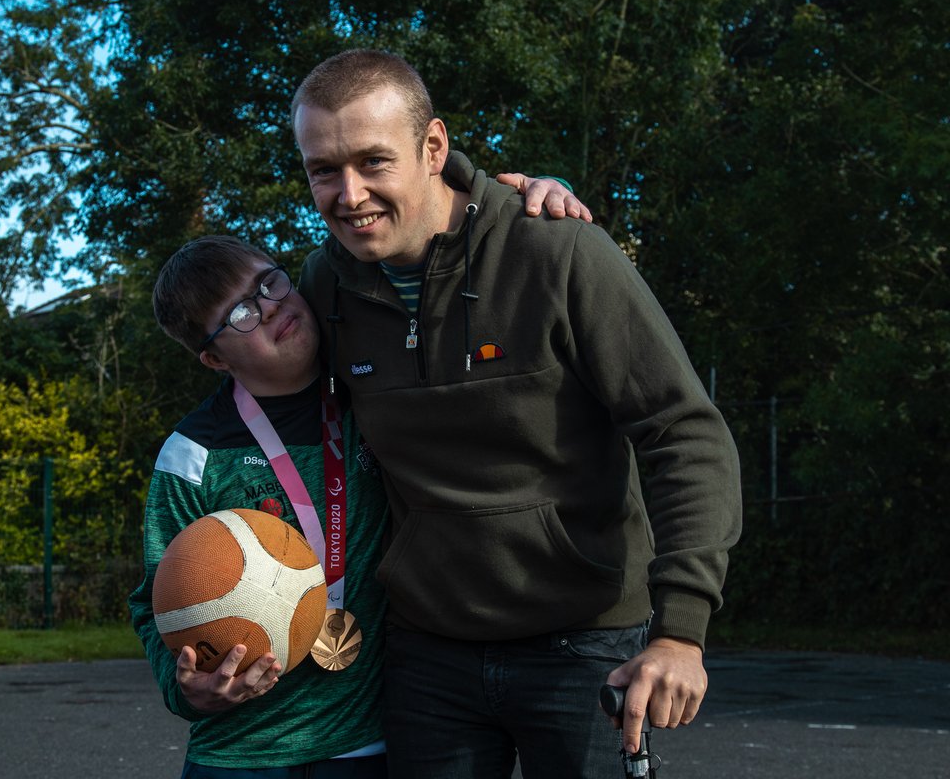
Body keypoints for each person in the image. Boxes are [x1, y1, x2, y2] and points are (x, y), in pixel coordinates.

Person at [292, 49, 742, 778]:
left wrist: (681, 631)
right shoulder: (324, 285)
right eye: (322, 169)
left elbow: (683, 434)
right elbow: (277, 415)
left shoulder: (556, 251)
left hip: (583, 641)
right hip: (426, 653)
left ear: (433, 148)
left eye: (374, 162)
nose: (348, 193)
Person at [130, 168, 586, 777]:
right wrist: (185, 690)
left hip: (365, 739)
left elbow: (426, 252)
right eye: (239, 313)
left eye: (269, 283)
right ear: (212, 357)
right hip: (242, 750)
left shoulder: (373, 400)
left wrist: (526, 200)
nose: (269, 309)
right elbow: (155, 600)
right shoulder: (193, 455)